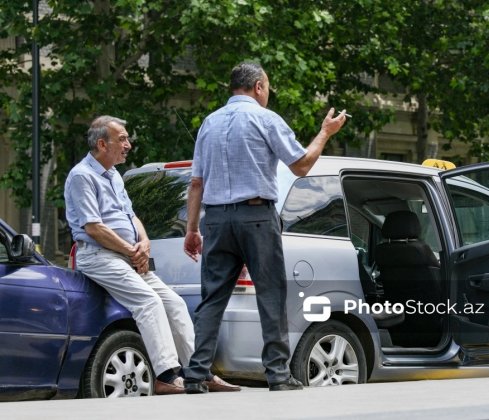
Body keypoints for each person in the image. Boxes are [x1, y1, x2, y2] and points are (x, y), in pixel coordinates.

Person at [182, 62, 347, 393]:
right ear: (258, 86)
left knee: (212, 298)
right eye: (267, 87)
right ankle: (277, 374)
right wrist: (325, 133)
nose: (268, 93)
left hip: (215, 219)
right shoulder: (265, 119)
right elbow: (301, 166)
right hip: (256, 217)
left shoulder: (208, 124)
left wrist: (191, 229)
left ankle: (197, 373)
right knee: (270, 295)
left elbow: (196, 182)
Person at [64, 116, 239, 395]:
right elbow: (94, 227)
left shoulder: (114, 176)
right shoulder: (82, 176)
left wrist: (144, 242)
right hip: (99, 257)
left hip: (128, 256)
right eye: (121, 139)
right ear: (101, 143)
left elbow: (131, 216)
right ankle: (167, 375)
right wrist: (132, 250)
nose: (128, 145)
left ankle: (199, 372)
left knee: (175, 303)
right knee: (149, 302)